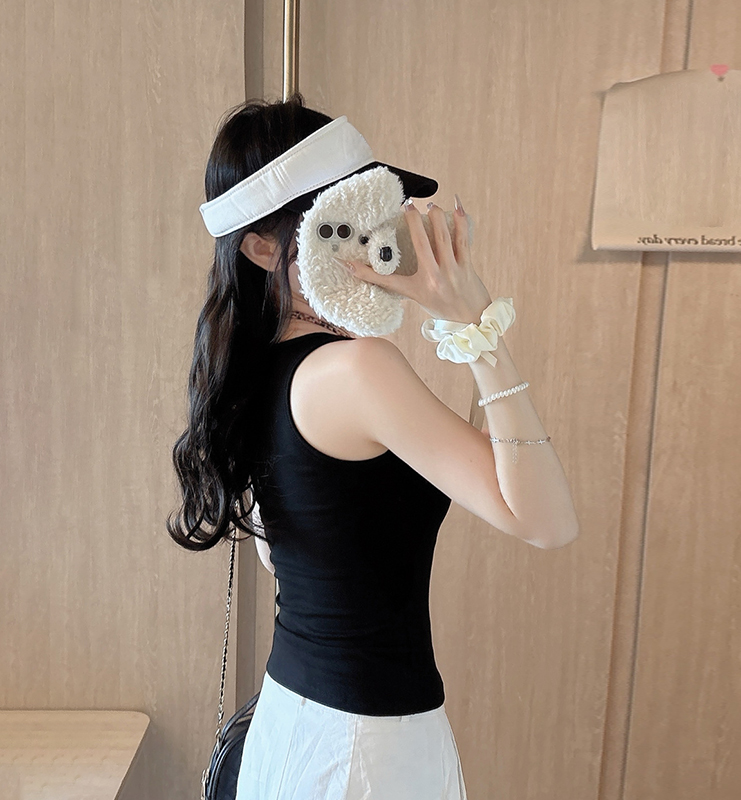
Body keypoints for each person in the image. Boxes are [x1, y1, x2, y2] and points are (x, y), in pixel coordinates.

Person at [168, 93, 580, 800]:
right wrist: (474, 320)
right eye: (342, 222)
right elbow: (547, 521)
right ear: (262, 247)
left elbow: (302, 550)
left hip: (300, 724)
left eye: (373, 215)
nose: (372, 243)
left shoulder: (254, 372)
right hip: (365, 748)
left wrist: (458, 324)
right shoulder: (357, 370)